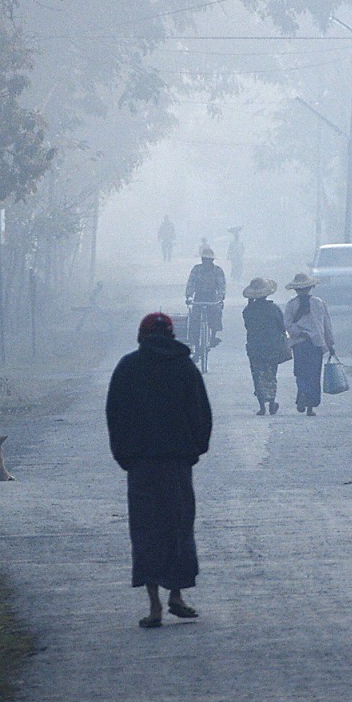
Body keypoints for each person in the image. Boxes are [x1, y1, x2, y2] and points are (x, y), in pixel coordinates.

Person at [106, 312, 212, 628]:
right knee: (177, 527)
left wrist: (125, 456)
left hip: (141, 466)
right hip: (177, 464)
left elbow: (115, 417)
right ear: (171, 336)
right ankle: (176, 596)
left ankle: (154, 607)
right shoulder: (184, 368)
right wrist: (194, 450)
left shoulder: (128, 368)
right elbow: (202, 414)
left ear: (141, 337)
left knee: (146, 530)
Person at [284, 272, 335, 416]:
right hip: (316, 345)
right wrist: (330, 344)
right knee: (314, 374)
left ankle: (303, 394)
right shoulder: (319, 303)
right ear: (311, 287)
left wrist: (298, 333)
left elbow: (287, 324)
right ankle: (310, 406)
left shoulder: (291, 305)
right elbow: (326, 325)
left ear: (295, 289)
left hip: (299, 344)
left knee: (300, 372)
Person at [242, 276, 286, 416]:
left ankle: (262, 406)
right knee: (271, 374)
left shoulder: (248, 310)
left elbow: (248, 326)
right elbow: (282, 326)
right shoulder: (273, 308)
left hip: (255, 347)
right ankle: (272, 402)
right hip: (272, 346)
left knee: (257, 374)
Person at [185, 245, 226, 352]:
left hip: (212, 296)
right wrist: (188, 295)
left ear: (212, 260)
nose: (206, 262)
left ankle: (213, 336)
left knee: (216, 312)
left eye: (208, 260)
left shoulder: (218, 271)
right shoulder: (196, 269)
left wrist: (221, 297)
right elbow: (191, 283)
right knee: (194, 319)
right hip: (199, 296)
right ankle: (195, 342)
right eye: (204, 259)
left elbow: (221, 285)